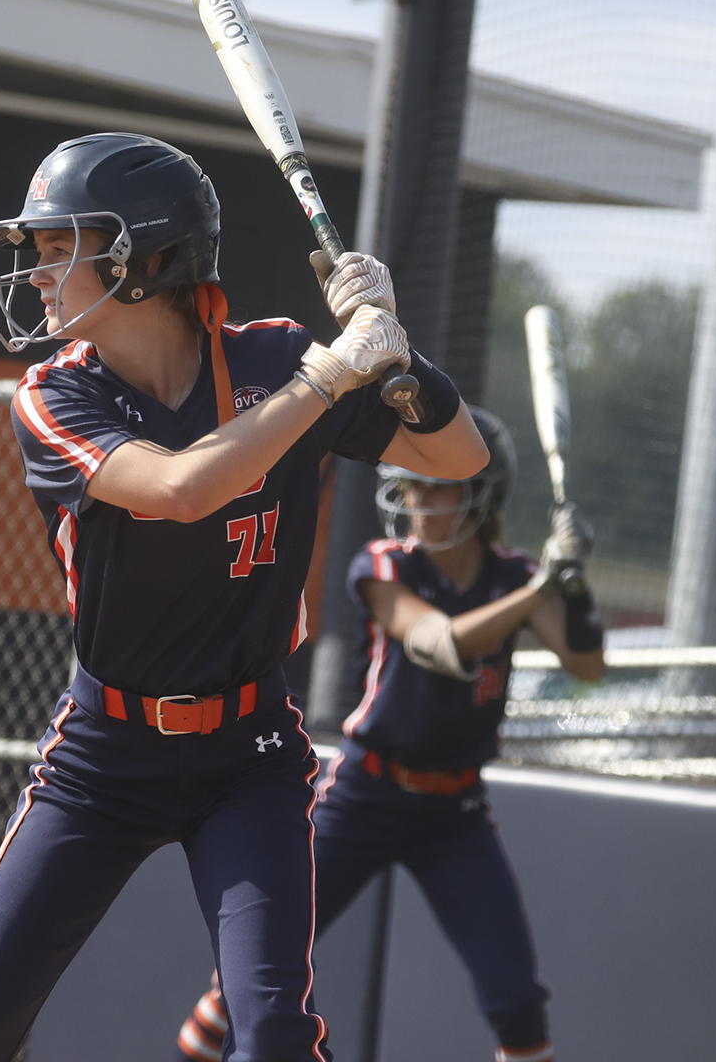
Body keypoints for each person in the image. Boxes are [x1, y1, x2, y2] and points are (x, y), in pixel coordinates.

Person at [0, 132, 486, 1062]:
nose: (39, 273)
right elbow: (181, 490)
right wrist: (331, 375)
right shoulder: (53, 396)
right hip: (102, 754)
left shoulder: (273, 361)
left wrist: (400, 360)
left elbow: (458, 457)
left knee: (275, 1040)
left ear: (150, 259)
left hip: (246, 754)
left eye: (61, 248)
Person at [171, 408, 607, 1062]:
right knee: (250, 976)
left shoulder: (513, 578)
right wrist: (545, 585)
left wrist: (573, 588)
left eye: (434, 486)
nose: (416, 501)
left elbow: (588, 664)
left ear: (481, 493)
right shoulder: (383, 565)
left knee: (516, 999)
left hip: (455, 811)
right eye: (410, 486)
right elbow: (440, 644)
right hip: (365, 794)